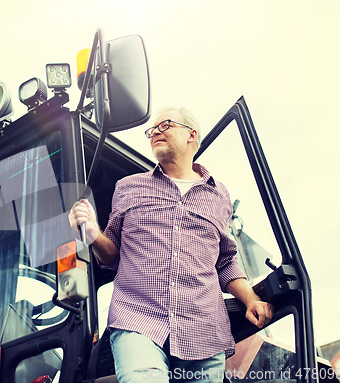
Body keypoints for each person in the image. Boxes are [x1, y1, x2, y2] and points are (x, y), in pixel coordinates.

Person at [69, 107, 274, 382]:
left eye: (164, 125)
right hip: (138, 319)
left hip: (205, 331)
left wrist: (250, 300)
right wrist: (93, 234)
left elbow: (224, 262)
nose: (155, 132)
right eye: (151, 130)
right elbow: (111, 257)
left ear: (191, 135)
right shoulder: (129, 187)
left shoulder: (219, 196)